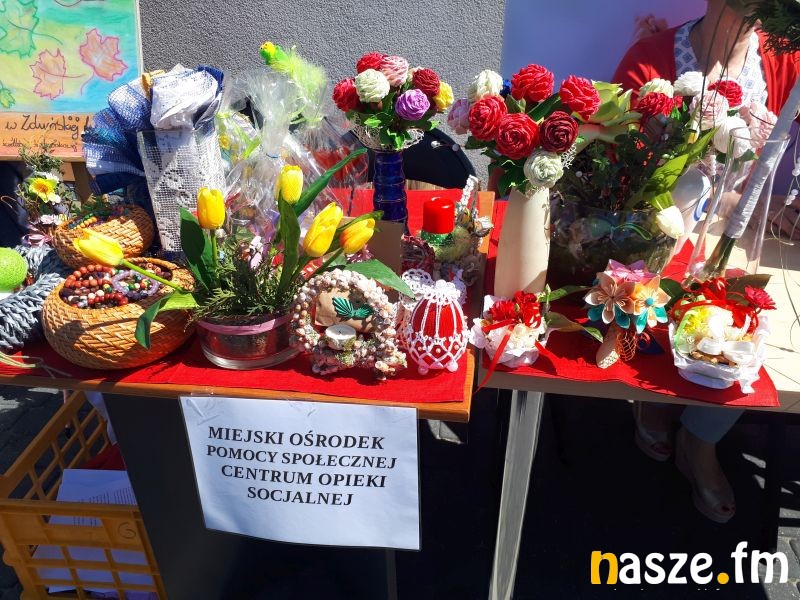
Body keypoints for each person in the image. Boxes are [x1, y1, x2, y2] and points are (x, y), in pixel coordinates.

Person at [612, 0, 800, 523]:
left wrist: (780, 203)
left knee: (752, 324)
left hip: (739, 235)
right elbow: (622, 175)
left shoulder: (785, 59)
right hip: (663, 227)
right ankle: (652, 399)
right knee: (649, 293)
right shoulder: (652, 58)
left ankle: (700, 438)